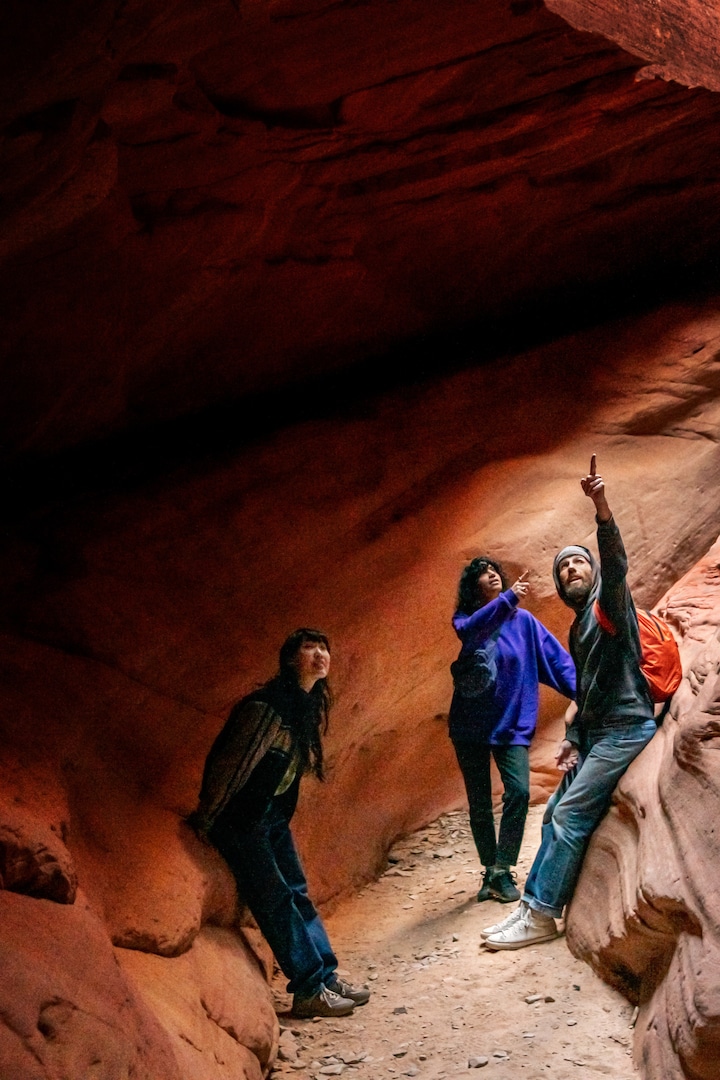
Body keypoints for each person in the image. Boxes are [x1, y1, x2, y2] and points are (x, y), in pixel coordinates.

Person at [483, 457, 657, 950]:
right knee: (553, 808)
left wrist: (601, 508)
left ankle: (541, 914)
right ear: (560, 587)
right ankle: (528, 906)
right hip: (601, 733)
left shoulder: (609, 606)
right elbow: (586, 692)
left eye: (578, 561)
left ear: (593, 571)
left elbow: (617, 565)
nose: (572, 568)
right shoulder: (577, 629)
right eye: (563, 567)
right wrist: (574, 740)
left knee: (569, 814)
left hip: (628, 729)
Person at [189, 629, 370, 1018]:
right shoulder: (267, 708)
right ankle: (308, 989)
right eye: (309, 647)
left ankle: (325, 976)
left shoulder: (302, 706)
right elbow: (230, 768)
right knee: (276, 899)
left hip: (268, 816)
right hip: (240, 820)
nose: (320, 653)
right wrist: (208, 819)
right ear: (291, 659)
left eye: (324, 647)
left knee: (298, 893)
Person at [449, 556, 576, 904]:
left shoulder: (525, 624)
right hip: (468, 727)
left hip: (510, 725)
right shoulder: (468, 620)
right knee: (479, 804)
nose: (491, 575)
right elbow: (469, 631)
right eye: (482, 573)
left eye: (494, 571)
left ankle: (504, 867)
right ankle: (491, 871)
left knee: (518, 792)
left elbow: (557, 663)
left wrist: (588, 694)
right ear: (473, 587)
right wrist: (507, 600)